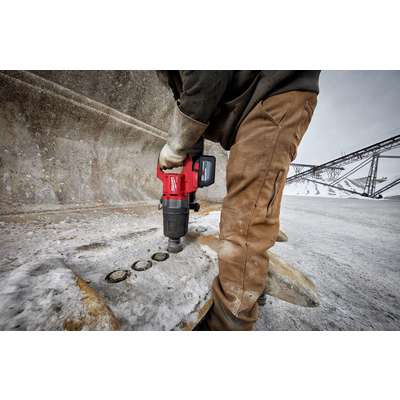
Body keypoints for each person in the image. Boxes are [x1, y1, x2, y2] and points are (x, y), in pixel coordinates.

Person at [157, 71, 320, 330]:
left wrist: (177, 143)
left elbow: (206, 76)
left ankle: (230, 322)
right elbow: (194, 110)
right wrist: (187, 154)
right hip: (253, 102)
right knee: (251, 204)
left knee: (244, 224)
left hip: (274, 95)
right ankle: (259, 241)